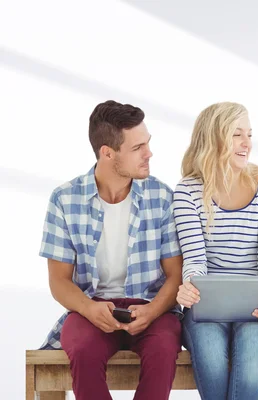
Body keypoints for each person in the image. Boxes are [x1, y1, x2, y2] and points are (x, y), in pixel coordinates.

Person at [39, 100, 183, 400]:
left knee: (164, 349)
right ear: (107, 152)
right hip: (92, 307)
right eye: (137, 148)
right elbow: (59, 281)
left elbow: (176, 274)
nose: (149, 153)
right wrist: (89, 308)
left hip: (151, 308)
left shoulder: (162, 197)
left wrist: (153, 310)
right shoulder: (65, 200)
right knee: (81, 349)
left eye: (148, 143)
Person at [173, 102, 258, 400]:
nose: (247, 143)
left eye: (249, 134)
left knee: (249, 365)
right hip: (207, 306)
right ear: (215, 138)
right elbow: (195, 259)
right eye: (237, 134)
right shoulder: (187, 191)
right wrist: (191, 287)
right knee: (210, 362)